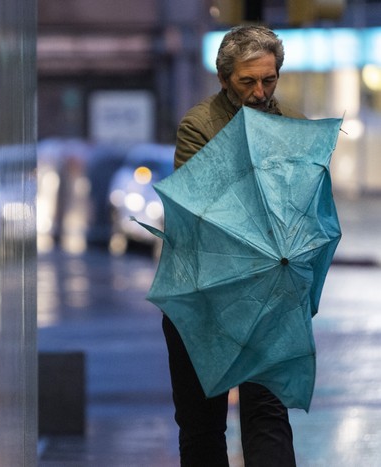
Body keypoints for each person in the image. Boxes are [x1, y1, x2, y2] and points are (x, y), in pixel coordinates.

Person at [165, 25, 304, 467]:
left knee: (267, 414)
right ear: (225, 79)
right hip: (203, 296)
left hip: (267, 294)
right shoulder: (199, 126)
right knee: (202, 423)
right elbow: (199, 210)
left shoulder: (292, 130)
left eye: (269, 79)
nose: (260, 92)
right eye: (248, 82)